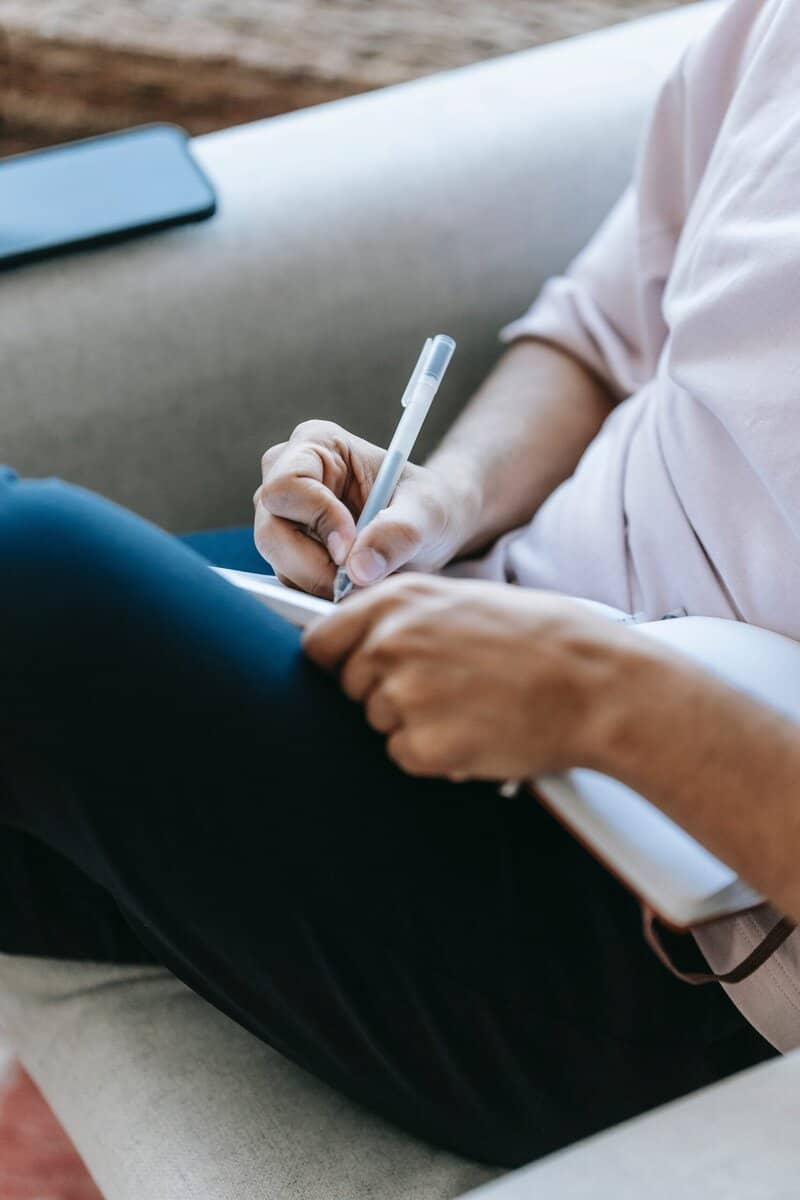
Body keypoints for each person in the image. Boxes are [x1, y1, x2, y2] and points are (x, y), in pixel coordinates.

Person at [1, 0, 798, 1170]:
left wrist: (607, 698)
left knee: (38, 580)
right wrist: (442, 502)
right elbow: (601, 333)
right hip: (506, 613)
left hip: (677, 927)